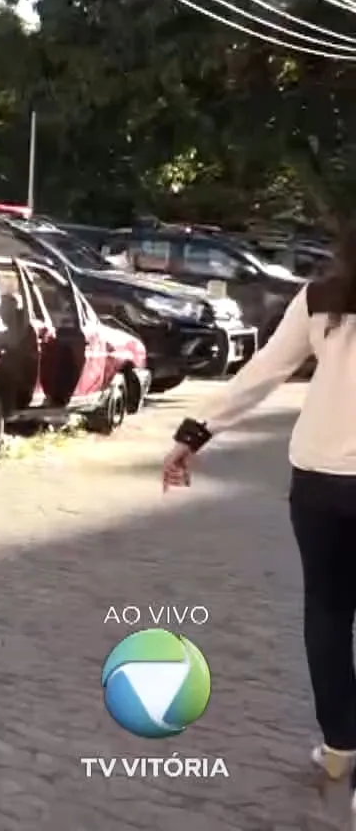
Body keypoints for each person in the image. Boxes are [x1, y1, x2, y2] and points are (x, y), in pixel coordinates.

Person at [162, 220, 356, 781]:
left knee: (327, 612)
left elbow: (264, 371)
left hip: (320, 479)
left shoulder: (321, 299)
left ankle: (342, 744)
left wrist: (194, 434)